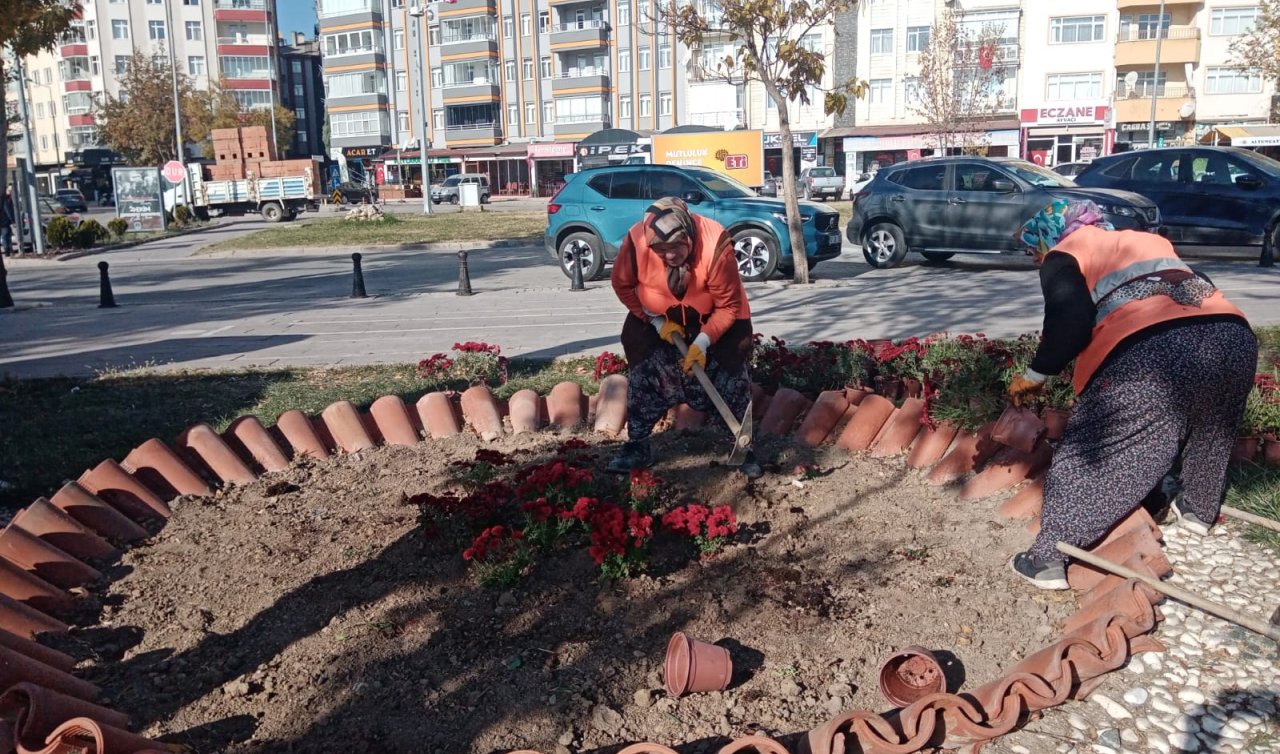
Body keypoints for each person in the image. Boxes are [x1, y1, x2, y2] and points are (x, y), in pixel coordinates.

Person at [1008, 199, 1255, 590]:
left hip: (1150, 348)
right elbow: (1193, 282)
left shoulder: (1064, 253)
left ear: (1048, 237)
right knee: (1211, 429)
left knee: (1100, 448)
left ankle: (1048, 559)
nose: (1036, 259)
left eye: (1032, 251)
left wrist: (1035, 374)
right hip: (1231, 335)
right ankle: (1198, 510)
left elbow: (1070, 321)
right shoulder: (1144, 241)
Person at [607, 196, 762, 479]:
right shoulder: (636, 242)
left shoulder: (715, 245)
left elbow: (728, 306)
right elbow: (622, 285)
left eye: (677, 246)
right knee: (645, 376)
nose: (669, 256)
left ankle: (742, 446)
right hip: (661, 319)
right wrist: (654, 321)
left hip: (718, 318)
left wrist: (702, 342)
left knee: (731, 377)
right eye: (660, 249)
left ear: (689, 236)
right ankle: (637, 446)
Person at [1, 188, 14, 257]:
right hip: (5, 221)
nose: (10, 192)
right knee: (6, 236)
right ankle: (7, 251)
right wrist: (12, 220)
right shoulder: (6, 200)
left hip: (4, 221)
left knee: (6, 236)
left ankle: (8, 251)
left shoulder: (6, 199)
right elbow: (8, 211)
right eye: (9, 191)